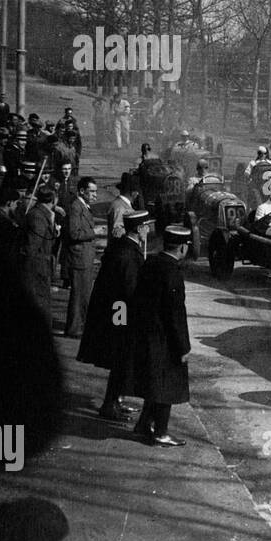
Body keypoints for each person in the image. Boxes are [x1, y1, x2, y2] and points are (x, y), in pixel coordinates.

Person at [80, 210, 151, 420]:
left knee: (120, 361)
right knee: (121, 360)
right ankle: (109, 405)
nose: (148, 230)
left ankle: (116, 400)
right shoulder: (129, 255)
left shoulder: (123, 248)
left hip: (114, 314)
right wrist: (127, 323)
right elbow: (128, 291)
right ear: (139, 229)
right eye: (146, 226)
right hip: (120, 316)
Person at [132, 225, 193, 447]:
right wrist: (183, 347)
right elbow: (176, 315)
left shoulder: (151, 263)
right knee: (167, 385)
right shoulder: (173, 273)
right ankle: (161, 432)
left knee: (154, 382)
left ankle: (143, 424)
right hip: (165, 339)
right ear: (183, 248)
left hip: (147, 333)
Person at [62, 177, 100, 338]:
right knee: (79, 295)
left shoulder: (83, 206)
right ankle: (74, 329)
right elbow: (74, 233)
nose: (95, 195)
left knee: (84, 294)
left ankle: (79, 326)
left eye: (95, 191)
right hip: (79, 258)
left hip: (85, 257)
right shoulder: (76, 207)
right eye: (91, 191)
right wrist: (95, 232)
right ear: (82, 191)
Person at [22, 187, 60, 323]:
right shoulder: (37, 216)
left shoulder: (45, 214)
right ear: (53, 200)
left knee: (44, 301)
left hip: (43, 266)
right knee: (41, 302)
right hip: (37, 268)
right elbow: (33, 246)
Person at [108, 172, 139, 242]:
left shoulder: (122, 204)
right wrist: (136, 229)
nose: (137, 194)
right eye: (136, 191)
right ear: (132, 192)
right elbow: (117, 232)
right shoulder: (119, 207)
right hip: (121, 249)